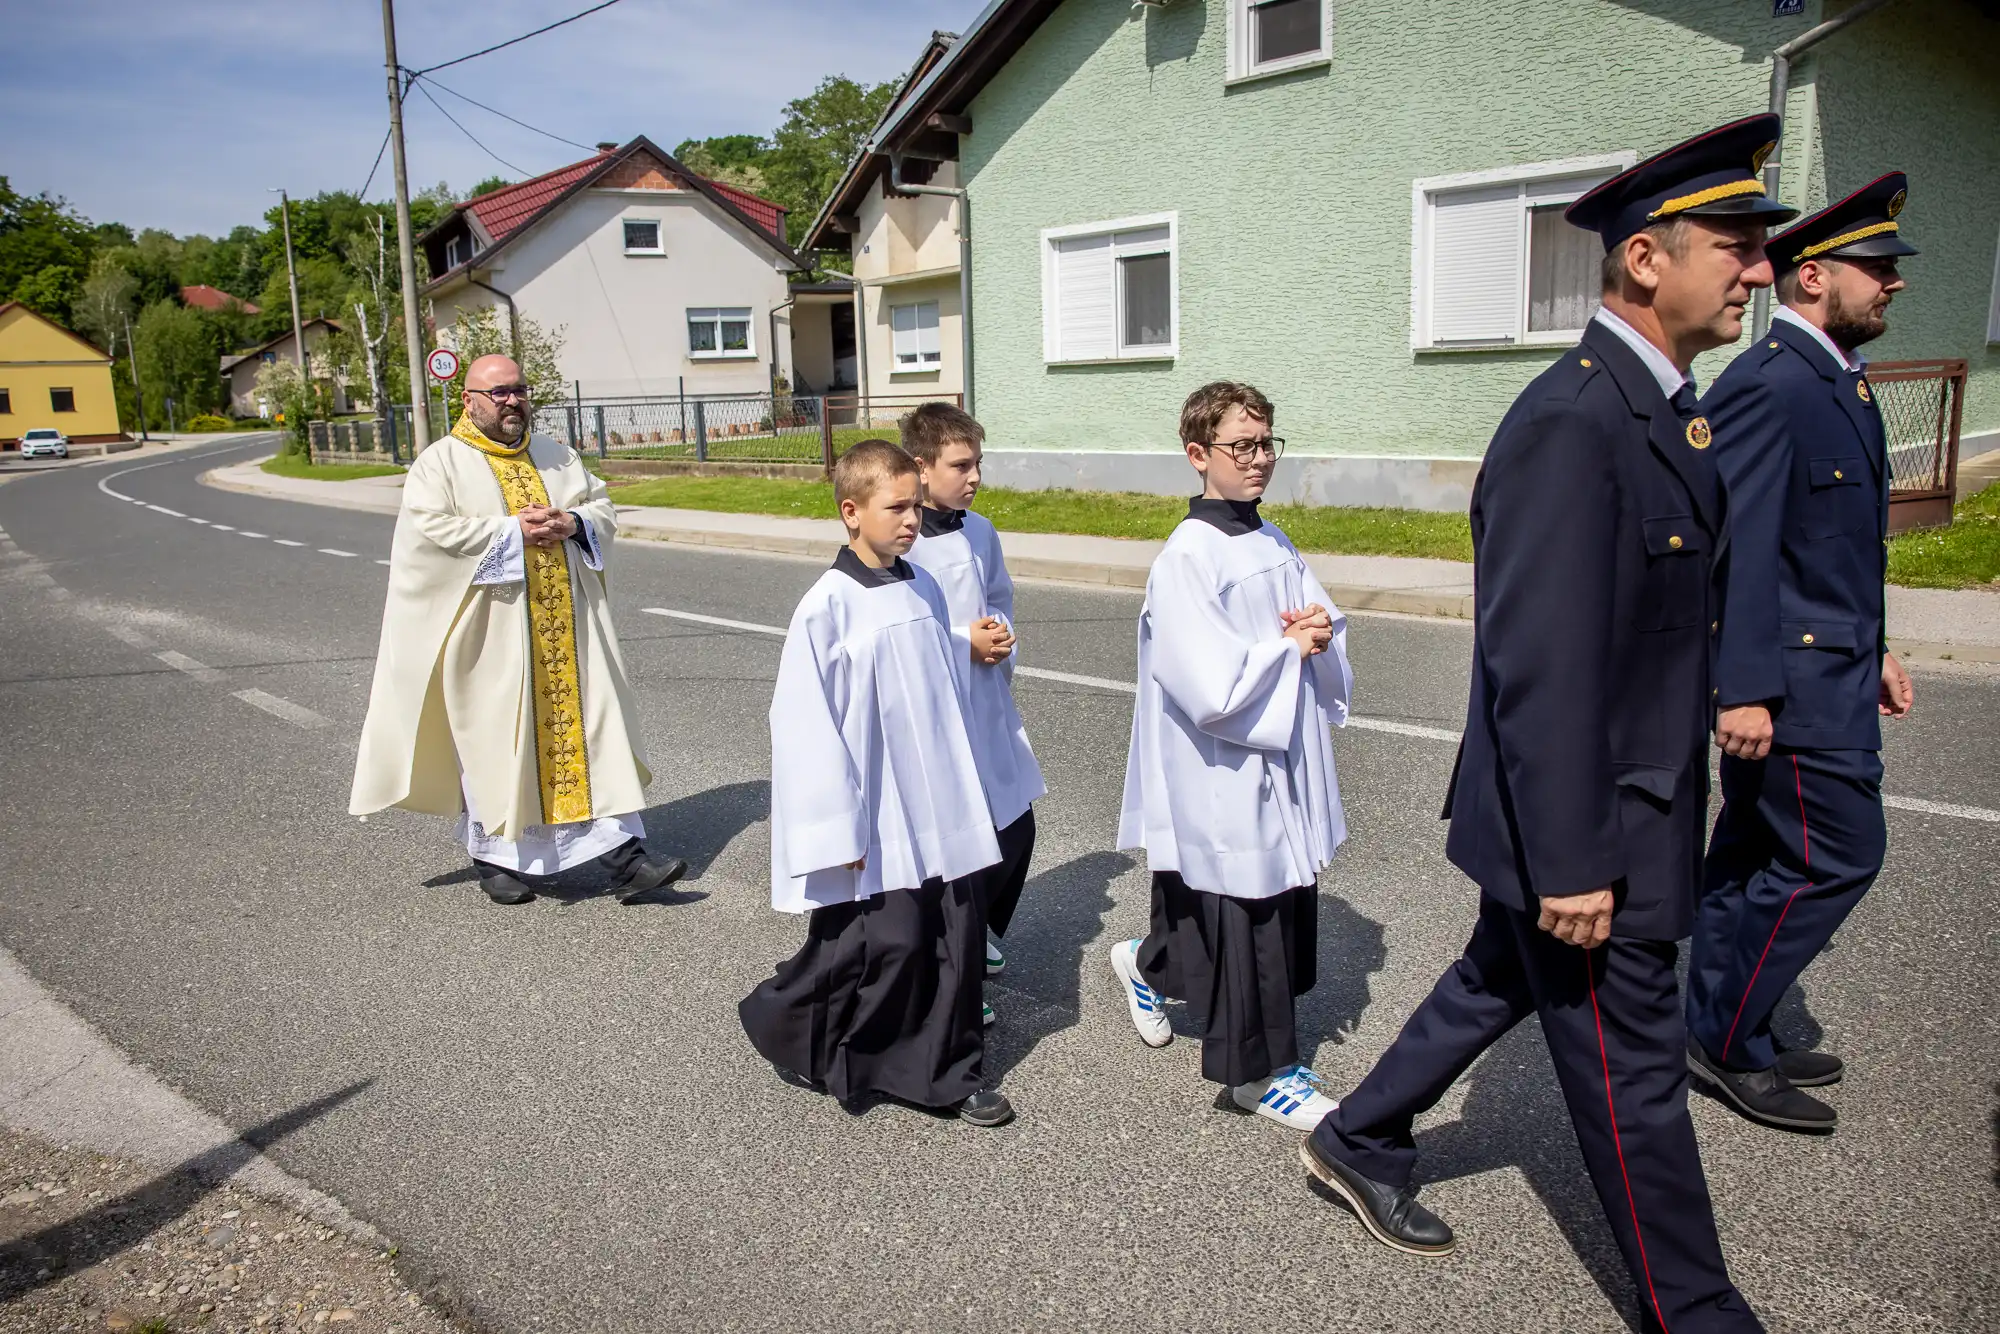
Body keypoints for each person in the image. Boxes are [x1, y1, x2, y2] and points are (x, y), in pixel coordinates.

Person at [1300, 116, 1792, 1333]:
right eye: (1731, 243)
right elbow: (1539, 663)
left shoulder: (1659, 408)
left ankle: (1356, 1135)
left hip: (1608, 803)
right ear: (1643, 259)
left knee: (1491, 978)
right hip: (1587, 828)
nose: (1758, 268)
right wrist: (1571, 860)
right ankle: (1698, 1310)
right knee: (1633, 1084)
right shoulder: (1574, 420)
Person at [1686, 173, 1919, 1134]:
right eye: (1877, 267)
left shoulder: (1835, 377)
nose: (1893, 284)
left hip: (1831, 669)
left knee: (1753, 857)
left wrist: (1881, 649)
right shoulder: (1772, 385)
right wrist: (1740, 688)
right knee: (1838, 856)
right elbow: (1731, 551)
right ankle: (1730, 1039)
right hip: (1785, 687)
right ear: (1813, 277)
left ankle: (1714, 1015)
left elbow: (1829, 545)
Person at [738, 439, 1013, 1127]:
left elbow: (930, 673)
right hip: (878, 813)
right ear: (851, 512)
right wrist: (836, 831)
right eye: (897, 508)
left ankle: (944, 1073)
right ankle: (787, 1026)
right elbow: (804, 726)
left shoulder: (919, 584)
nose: (913, 520)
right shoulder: (826, 607)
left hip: (939, 801)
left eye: (916, 506)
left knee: (952, 932)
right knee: (880, 945)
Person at [349, 354, 686, 906]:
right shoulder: (441, 464)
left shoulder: (557, 455)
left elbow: (602, 506)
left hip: (568, 640)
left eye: (520, 390)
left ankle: (626, 861)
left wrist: (574, 523)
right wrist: (510, 533)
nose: (512, 401)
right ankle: (495, 858)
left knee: (593, 736)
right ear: (470, 400)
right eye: (499, 392)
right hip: (490, 639)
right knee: (496, 747)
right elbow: (428, 535)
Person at [1112, 381, 1354, 1131]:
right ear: (1197, 455)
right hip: (1225, 760)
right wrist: (1289, 649)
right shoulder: (1188, 557)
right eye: (1240, 447)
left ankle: (1149, 964)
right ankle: (1259, 1074)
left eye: (1266, 444)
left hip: (1272, 749)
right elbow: (1207, 685)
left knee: (1249, 897)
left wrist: (1319, 625)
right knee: (1248, 908)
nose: (1258, 460)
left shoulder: (1270, 537)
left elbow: (1315, 617)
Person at [900, 403, 1046, 1029]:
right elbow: (902, 632)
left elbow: (1000, 597)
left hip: (984, 702)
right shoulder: (901, 543)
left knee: (1016, 829)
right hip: (936, 714)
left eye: (978, 464)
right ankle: (948, 970)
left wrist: (1000, 632)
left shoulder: (981, 531)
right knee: (951, 852)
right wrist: (965, 640)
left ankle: (978, 933)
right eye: (961, 465)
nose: (975, 477)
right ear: (921, 468)